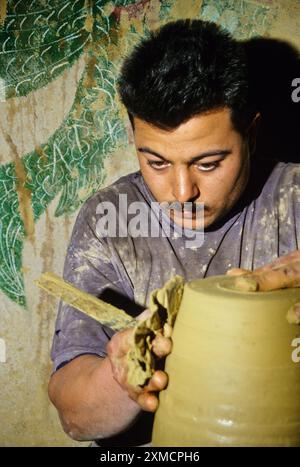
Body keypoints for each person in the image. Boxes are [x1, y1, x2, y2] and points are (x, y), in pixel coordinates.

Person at [48, 19, 300, 446]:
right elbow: (73, 415)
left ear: (251, 135)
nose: (183, 192)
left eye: (208, 163)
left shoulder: (293, 198)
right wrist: (122, 382)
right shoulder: (110, 218)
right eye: (157, 163)